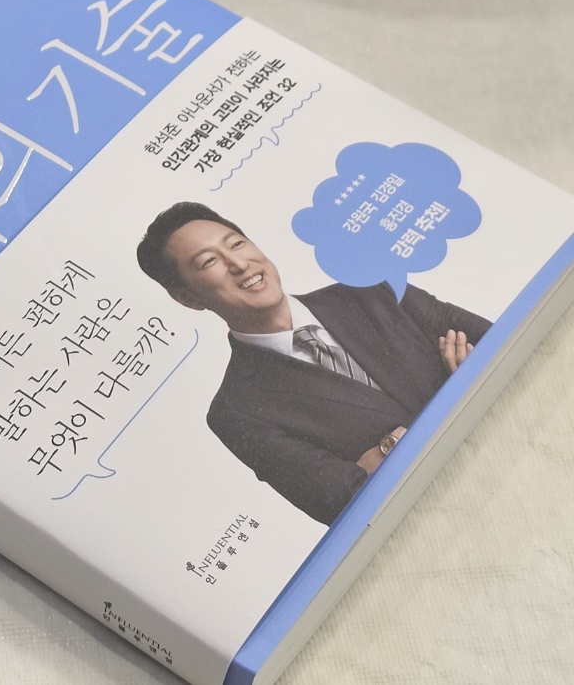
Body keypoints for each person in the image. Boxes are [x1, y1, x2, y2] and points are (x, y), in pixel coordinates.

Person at [136, 202, 489, 525]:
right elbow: (347, 504)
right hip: (445, 515)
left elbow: (493, 340)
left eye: (237, 244)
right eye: (208, 262)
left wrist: (389, 447)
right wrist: (456, 385)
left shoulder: (369, 288)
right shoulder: (236, 412)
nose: (239, 264)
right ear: (187, 298)